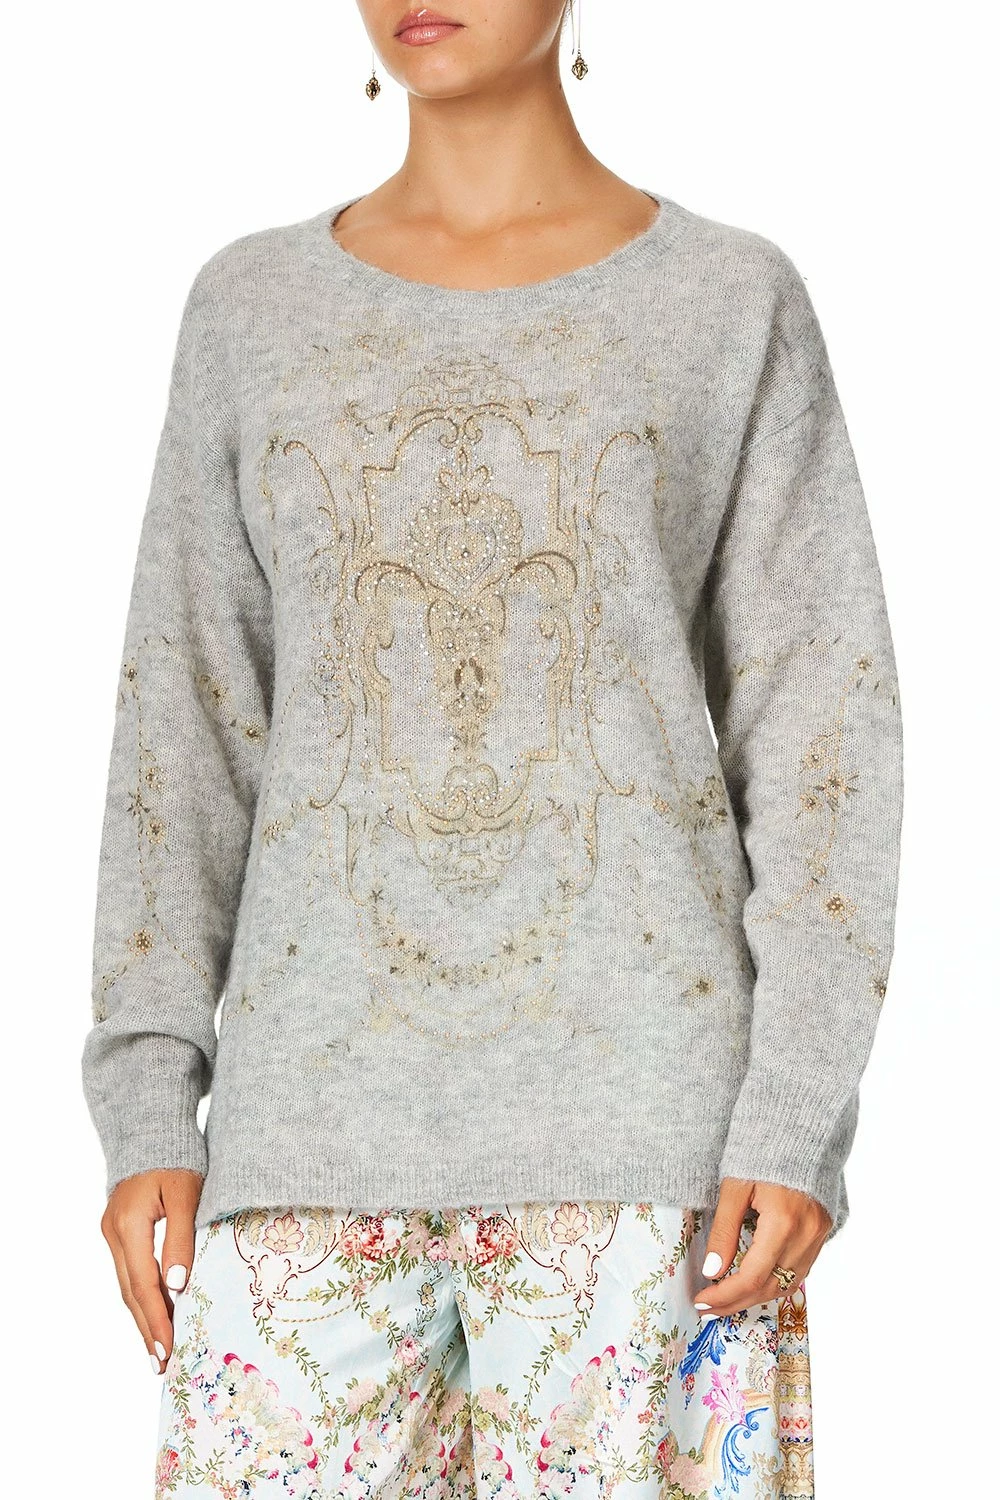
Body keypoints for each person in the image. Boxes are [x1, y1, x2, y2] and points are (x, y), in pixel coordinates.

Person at [82, 3, 903, 1496]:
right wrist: (147, 1094)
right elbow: (185, 719)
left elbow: (820, 729)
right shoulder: (250, 311)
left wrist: (797, 1114)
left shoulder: (730, 303)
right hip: (303, 1146)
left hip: (651, 1157)